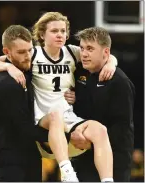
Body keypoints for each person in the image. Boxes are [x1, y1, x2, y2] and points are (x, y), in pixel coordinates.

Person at [0, 12, 117, 182]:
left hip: (67, 118)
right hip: (44, 120)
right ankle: (67, 173)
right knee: (55, 116)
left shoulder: (72, 52)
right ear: (42, 34)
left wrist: (111, 63)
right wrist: (9, 68)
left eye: (63, 30)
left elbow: (105, 54)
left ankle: (108, 180)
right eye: (54, 31)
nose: (60, 34)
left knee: (100, 130)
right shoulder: (33, 54)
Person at [0, 25, 50, 182]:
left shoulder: (24, 66)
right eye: (21, 52)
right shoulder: (8, 84)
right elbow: (24, 127)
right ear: (7, 52)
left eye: (30, 50)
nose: (28, 56)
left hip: (27, 152)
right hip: (8, 157)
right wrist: (62, 137)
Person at [70, 27, 135, 182]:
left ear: (106, 52)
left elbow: (122, 128)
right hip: (81, 156)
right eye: (82, 48)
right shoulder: (79, 70)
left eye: (90, 49)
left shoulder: (120, 82)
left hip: (113, 160)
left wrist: (92, 143)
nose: (84, 54)